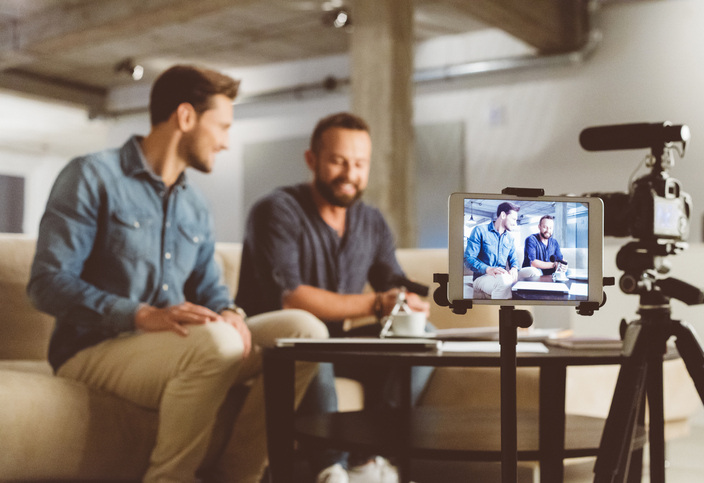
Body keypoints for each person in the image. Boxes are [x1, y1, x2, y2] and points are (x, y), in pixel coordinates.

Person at [27, 65, 328, 483]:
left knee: (305, 331)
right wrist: (139, 314)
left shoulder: (196, 206)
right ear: (185, 117)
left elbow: (210, 288)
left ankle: (237, 475)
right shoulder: (91, 176)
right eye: (221, 126)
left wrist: (231, 312)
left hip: (172, 349)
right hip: (93, 352)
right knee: (216, 344)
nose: (225, 142)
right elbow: (46, 284)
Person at [235, 112, 432, 483]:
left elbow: (391, 280)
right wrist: (378, 304)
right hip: (275, 346)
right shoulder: (275, 210)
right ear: (312, 160)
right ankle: (330, 470)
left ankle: (364, 456)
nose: (350, 173)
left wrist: (414, 296)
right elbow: (291, 299)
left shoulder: (371, 221)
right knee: (311, 333)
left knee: (421, 335)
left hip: (335, 345)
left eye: (360, 164)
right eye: (339, 161)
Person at [464, 201, 537, 299]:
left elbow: (513, 259)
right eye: (513, 219)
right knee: (503, 281)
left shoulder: (510, 238)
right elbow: (468, 259)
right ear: (503, 215)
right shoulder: (480, 231)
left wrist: (514, 268)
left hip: (504, 275)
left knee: (533, 272)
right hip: (483, 277)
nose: (515, 223)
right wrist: (488, 269)